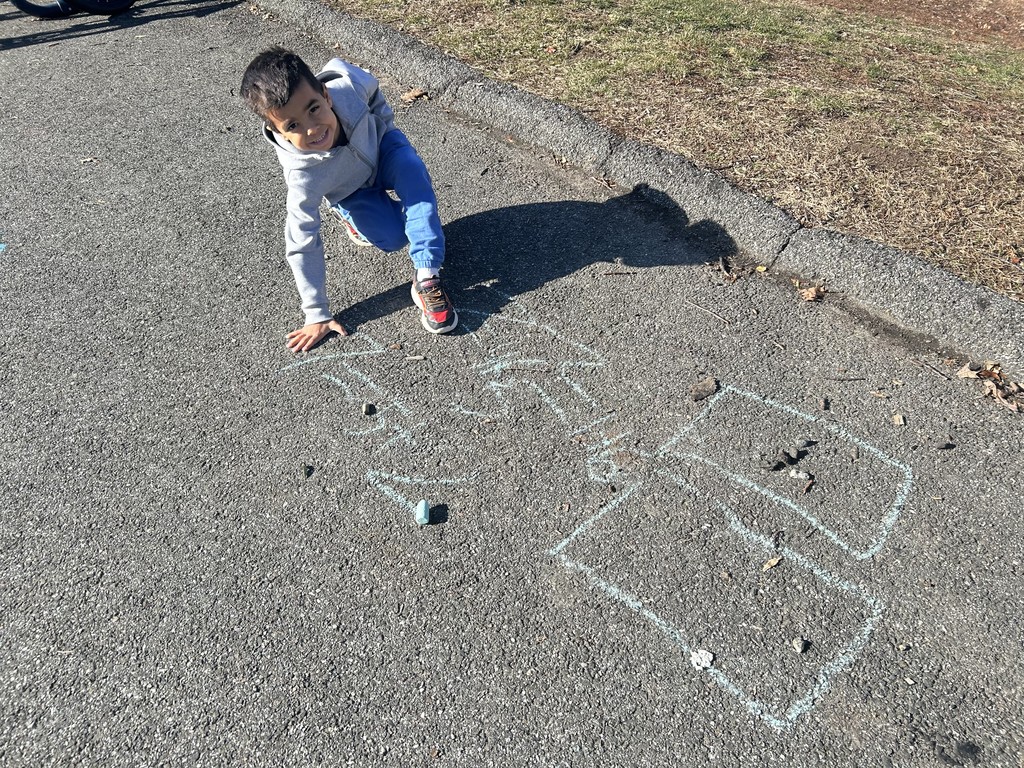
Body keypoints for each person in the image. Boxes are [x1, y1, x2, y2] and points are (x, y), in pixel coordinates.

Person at [239, 47, 458, 351]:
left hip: (382, 151)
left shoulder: (346, 87)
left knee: (411, 171)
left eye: (313, 108)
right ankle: (351, 216)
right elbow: (302, 241)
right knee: (394, 236)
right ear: (277, 131)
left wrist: (385, 126)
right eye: (292, 126)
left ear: (326, 95)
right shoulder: (303, 177)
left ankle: (427, 275)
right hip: (350, 189)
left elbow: (371, 85)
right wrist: (316, 313)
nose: (312, 128)